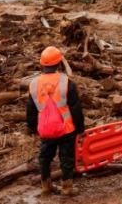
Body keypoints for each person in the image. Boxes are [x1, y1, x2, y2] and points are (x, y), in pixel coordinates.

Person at [27, 47, 85, 196]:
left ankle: (46, 186)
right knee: (66, 158)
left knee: (45, 157)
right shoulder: (67, 82)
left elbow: (31, 111)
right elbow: (75, 109)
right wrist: (80, 128)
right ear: (59, 63)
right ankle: (67, 187)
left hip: (46, 129)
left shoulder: (34, 84)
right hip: (66, 129)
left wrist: (33, 129)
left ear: (42, 64)